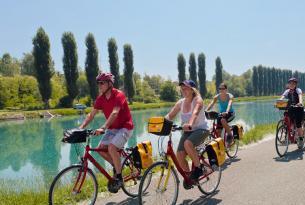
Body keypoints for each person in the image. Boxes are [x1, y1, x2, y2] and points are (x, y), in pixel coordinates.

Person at [79, 72, 134, 191]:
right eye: (98, 83)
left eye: (102, 83)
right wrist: (81, 127)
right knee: (100, 149)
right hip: (113, 129)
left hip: (125, 127)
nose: (99, 85)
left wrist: (103, 128)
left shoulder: (119, 95)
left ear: (109, 84)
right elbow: (91, 114)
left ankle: (119, 177)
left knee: (112, 147)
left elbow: (115, 112)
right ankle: (117, 165)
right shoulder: (101, 98)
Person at [165, 80, 209, 182]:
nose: (183, 90)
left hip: (201, 129)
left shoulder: (198, 100)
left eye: (186, 88)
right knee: (179, 155)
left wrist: (190, 124)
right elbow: (170, 116)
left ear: (192, 89)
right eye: (182, 88)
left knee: (187, 143)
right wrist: (159, 124)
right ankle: (189, 177)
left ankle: (199, 168)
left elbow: (195, 113)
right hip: (188, 131)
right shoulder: (181, 102)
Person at [280, 77, 304, 148]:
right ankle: (288, 137)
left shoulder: (298, 90)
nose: (291, 84)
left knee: (298, 124)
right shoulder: (287, 91)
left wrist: (300, 102)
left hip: (298, 108)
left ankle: (301, 139)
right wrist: (279, 101)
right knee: (287, 121)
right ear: (289, 84)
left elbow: (300, 96)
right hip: (291, 108)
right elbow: (282, 97)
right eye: (290, 83)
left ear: (295, 84)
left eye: (293, 83)